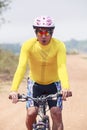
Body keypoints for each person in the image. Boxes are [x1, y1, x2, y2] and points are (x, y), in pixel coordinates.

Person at [9, 16, 71, 130]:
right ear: (36, 32)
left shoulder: (59, 45)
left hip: (54, 83)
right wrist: (14, 90)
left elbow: (61, 66)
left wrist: (66, 87)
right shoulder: (28, 45)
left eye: (47, 32)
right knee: (31, 113)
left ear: (52, 32)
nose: (43, 35)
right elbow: (21, 67)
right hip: (35, 83)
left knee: (56, 113)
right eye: (40, 32)